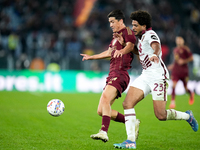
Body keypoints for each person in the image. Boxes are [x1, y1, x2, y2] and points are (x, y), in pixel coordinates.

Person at [112, 10, 198, 149]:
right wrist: (124, 44)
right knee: (127, 104)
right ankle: (130, 141)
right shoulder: (142, 37)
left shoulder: (150, 34)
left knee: (161, 115)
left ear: (144, 26)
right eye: (132, 25)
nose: (133, 28)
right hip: (146, 75)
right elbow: (141, 53)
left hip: (158, 76)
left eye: (135, 25)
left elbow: (155, 46)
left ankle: (188, 116)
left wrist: (156, 55)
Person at [80, 9, 140, 143]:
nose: (111, 25)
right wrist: (92, 57)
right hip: (112, 73)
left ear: (120, 21)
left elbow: (131, 46)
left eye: (113, 22)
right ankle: (131, 122)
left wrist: (122, 50)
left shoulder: (128, 32)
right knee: (101, 110)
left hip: (120, 73)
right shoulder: (116, 36)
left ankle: (103, 132)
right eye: (109, 22)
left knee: (106, 98)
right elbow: (109, 52)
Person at [168, 36, 194, 109]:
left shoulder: (186, 49)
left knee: (185, 88)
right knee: (173, 85)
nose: (179, 41)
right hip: (176, 70)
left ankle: (191, 93)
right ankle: (172, 102)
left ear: (183, 41)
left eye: (180, 40)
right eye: (177, 40)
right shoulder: (175, 50)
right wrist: (172, 66)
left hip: (184, 71)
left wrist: (184, 61)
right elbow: (177, 61)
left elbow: (191, 58)